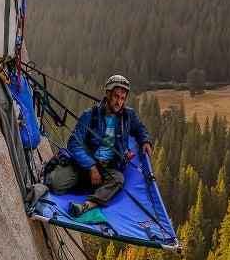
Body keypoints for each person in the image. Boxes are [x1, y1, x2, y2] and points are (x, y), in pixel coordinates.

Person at [47, 74, 152, 218]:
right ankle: (60, 172)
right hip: (83, 165)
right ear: (107, 94)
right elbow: (74, 142)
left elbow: (140, 128)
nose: (119, 102)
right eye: (116, 97)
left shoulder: (128, 116)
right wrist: (91, 166)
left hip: (106, 169)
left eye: (122, 98)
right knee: (55, 185)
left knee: (118, 179)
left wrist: (145, 140)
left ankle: (87, 205)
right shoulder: (91, 115)